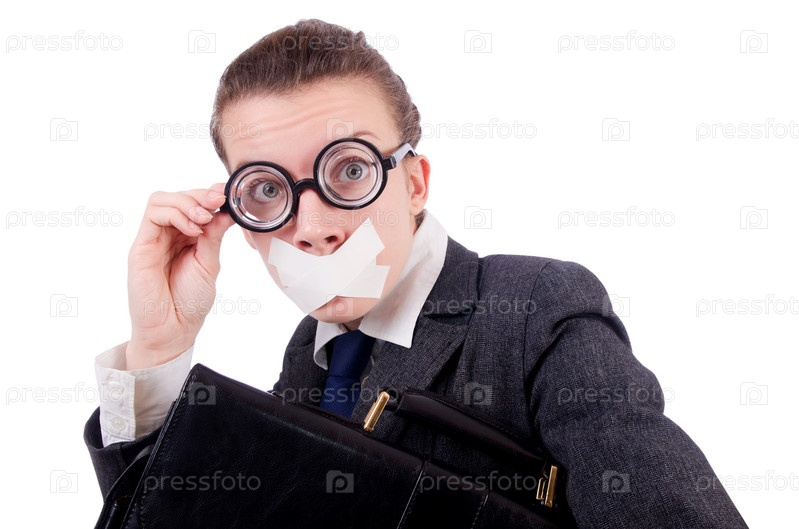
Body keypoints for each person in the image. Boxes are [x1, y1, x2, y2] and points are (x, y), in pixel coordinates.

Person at [84, 19, 748, 528]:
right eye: (266, 190)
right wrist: (159, 349)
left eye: (349, 170)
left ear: (414, 183)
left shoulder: (534, 311)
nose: (312, 226)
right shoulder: (306, 357)